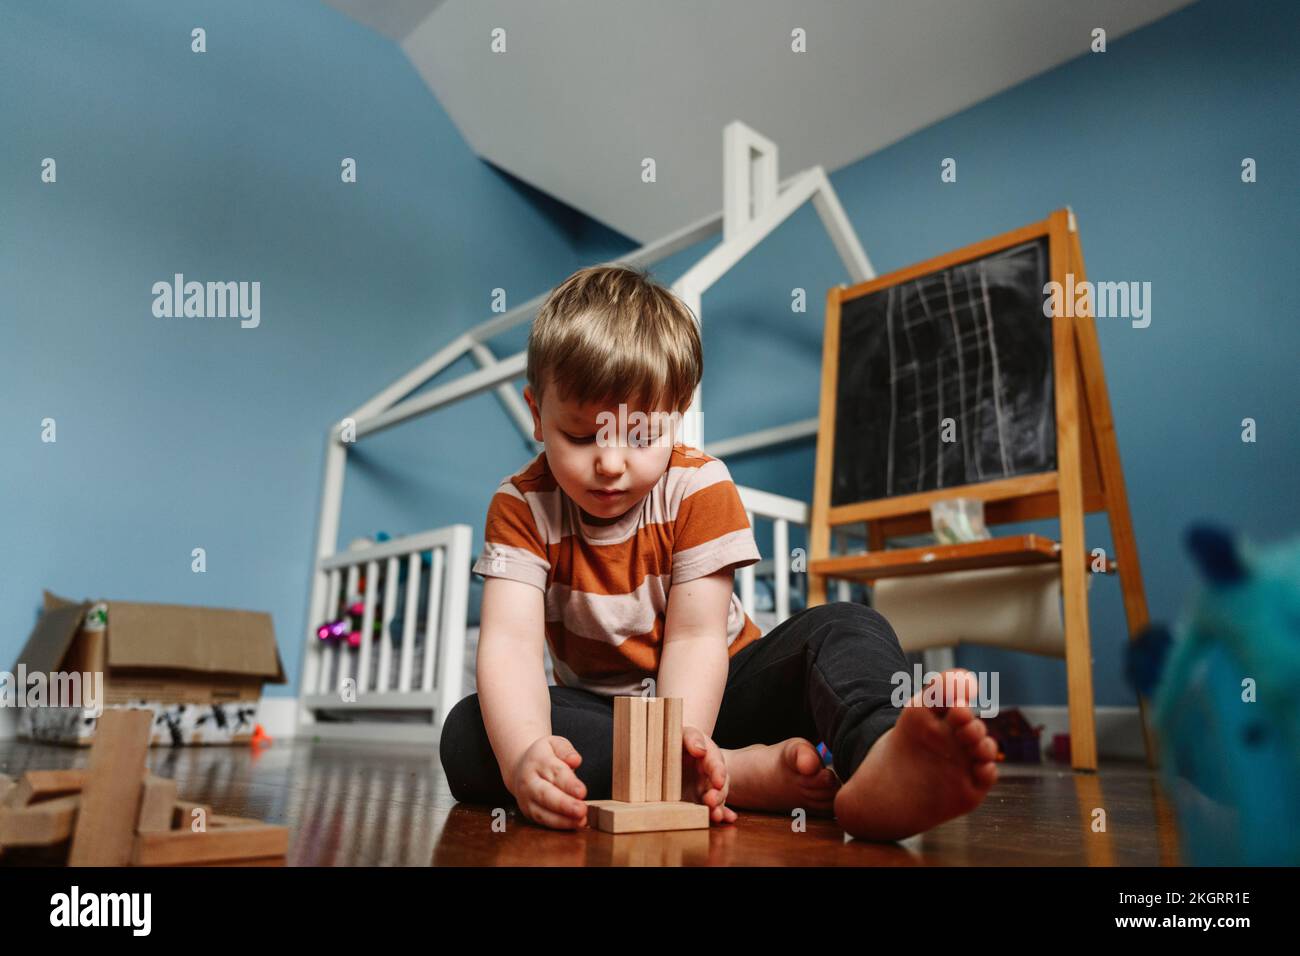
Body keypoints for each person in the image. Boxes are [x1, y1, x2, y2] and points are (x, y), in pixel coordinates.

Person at [439, 264, 998, 839]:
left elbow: (695, 638)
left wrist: (689, 747)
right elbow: (510, 647)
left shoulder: (700, 488)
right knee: (471, 731)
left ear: (675, 415)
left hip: (722, 693)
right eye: (580, 436)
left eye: (640, 437)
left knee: (847, 625)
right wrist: (525, 758)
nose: (609, 464)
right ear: (537, 415)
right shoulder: (519, 506)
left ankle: (881, 754)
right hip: (604, 716)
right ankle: (738, 774)